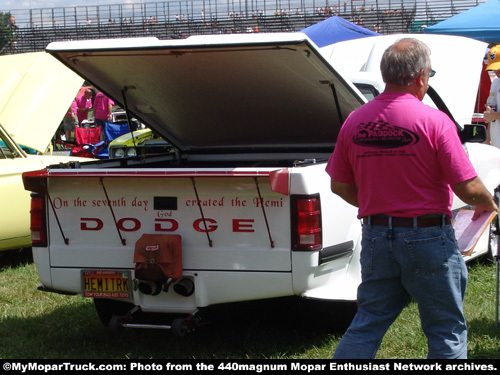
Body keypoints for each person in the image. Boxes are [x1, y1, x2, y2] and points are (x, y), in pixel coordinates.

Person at [326, 38, 498, 359]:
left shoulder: (355, 120)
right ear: (420, 76)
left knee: (369, 321)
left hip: (376, 236)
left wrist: (376, 205)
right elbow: (468, 188)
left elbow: (339, 185)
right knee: (445, 327)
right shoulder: (434, 121)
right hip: (428, 237)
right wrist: (491, 205)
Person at [484, 45, 500, 148]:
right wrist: (488, 138)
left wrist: (494, 116)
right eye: (494, 68)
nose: (496, 71)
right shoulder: (495, 82)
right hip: (496, 143)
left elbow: (493, 115)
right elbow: (491, 110)